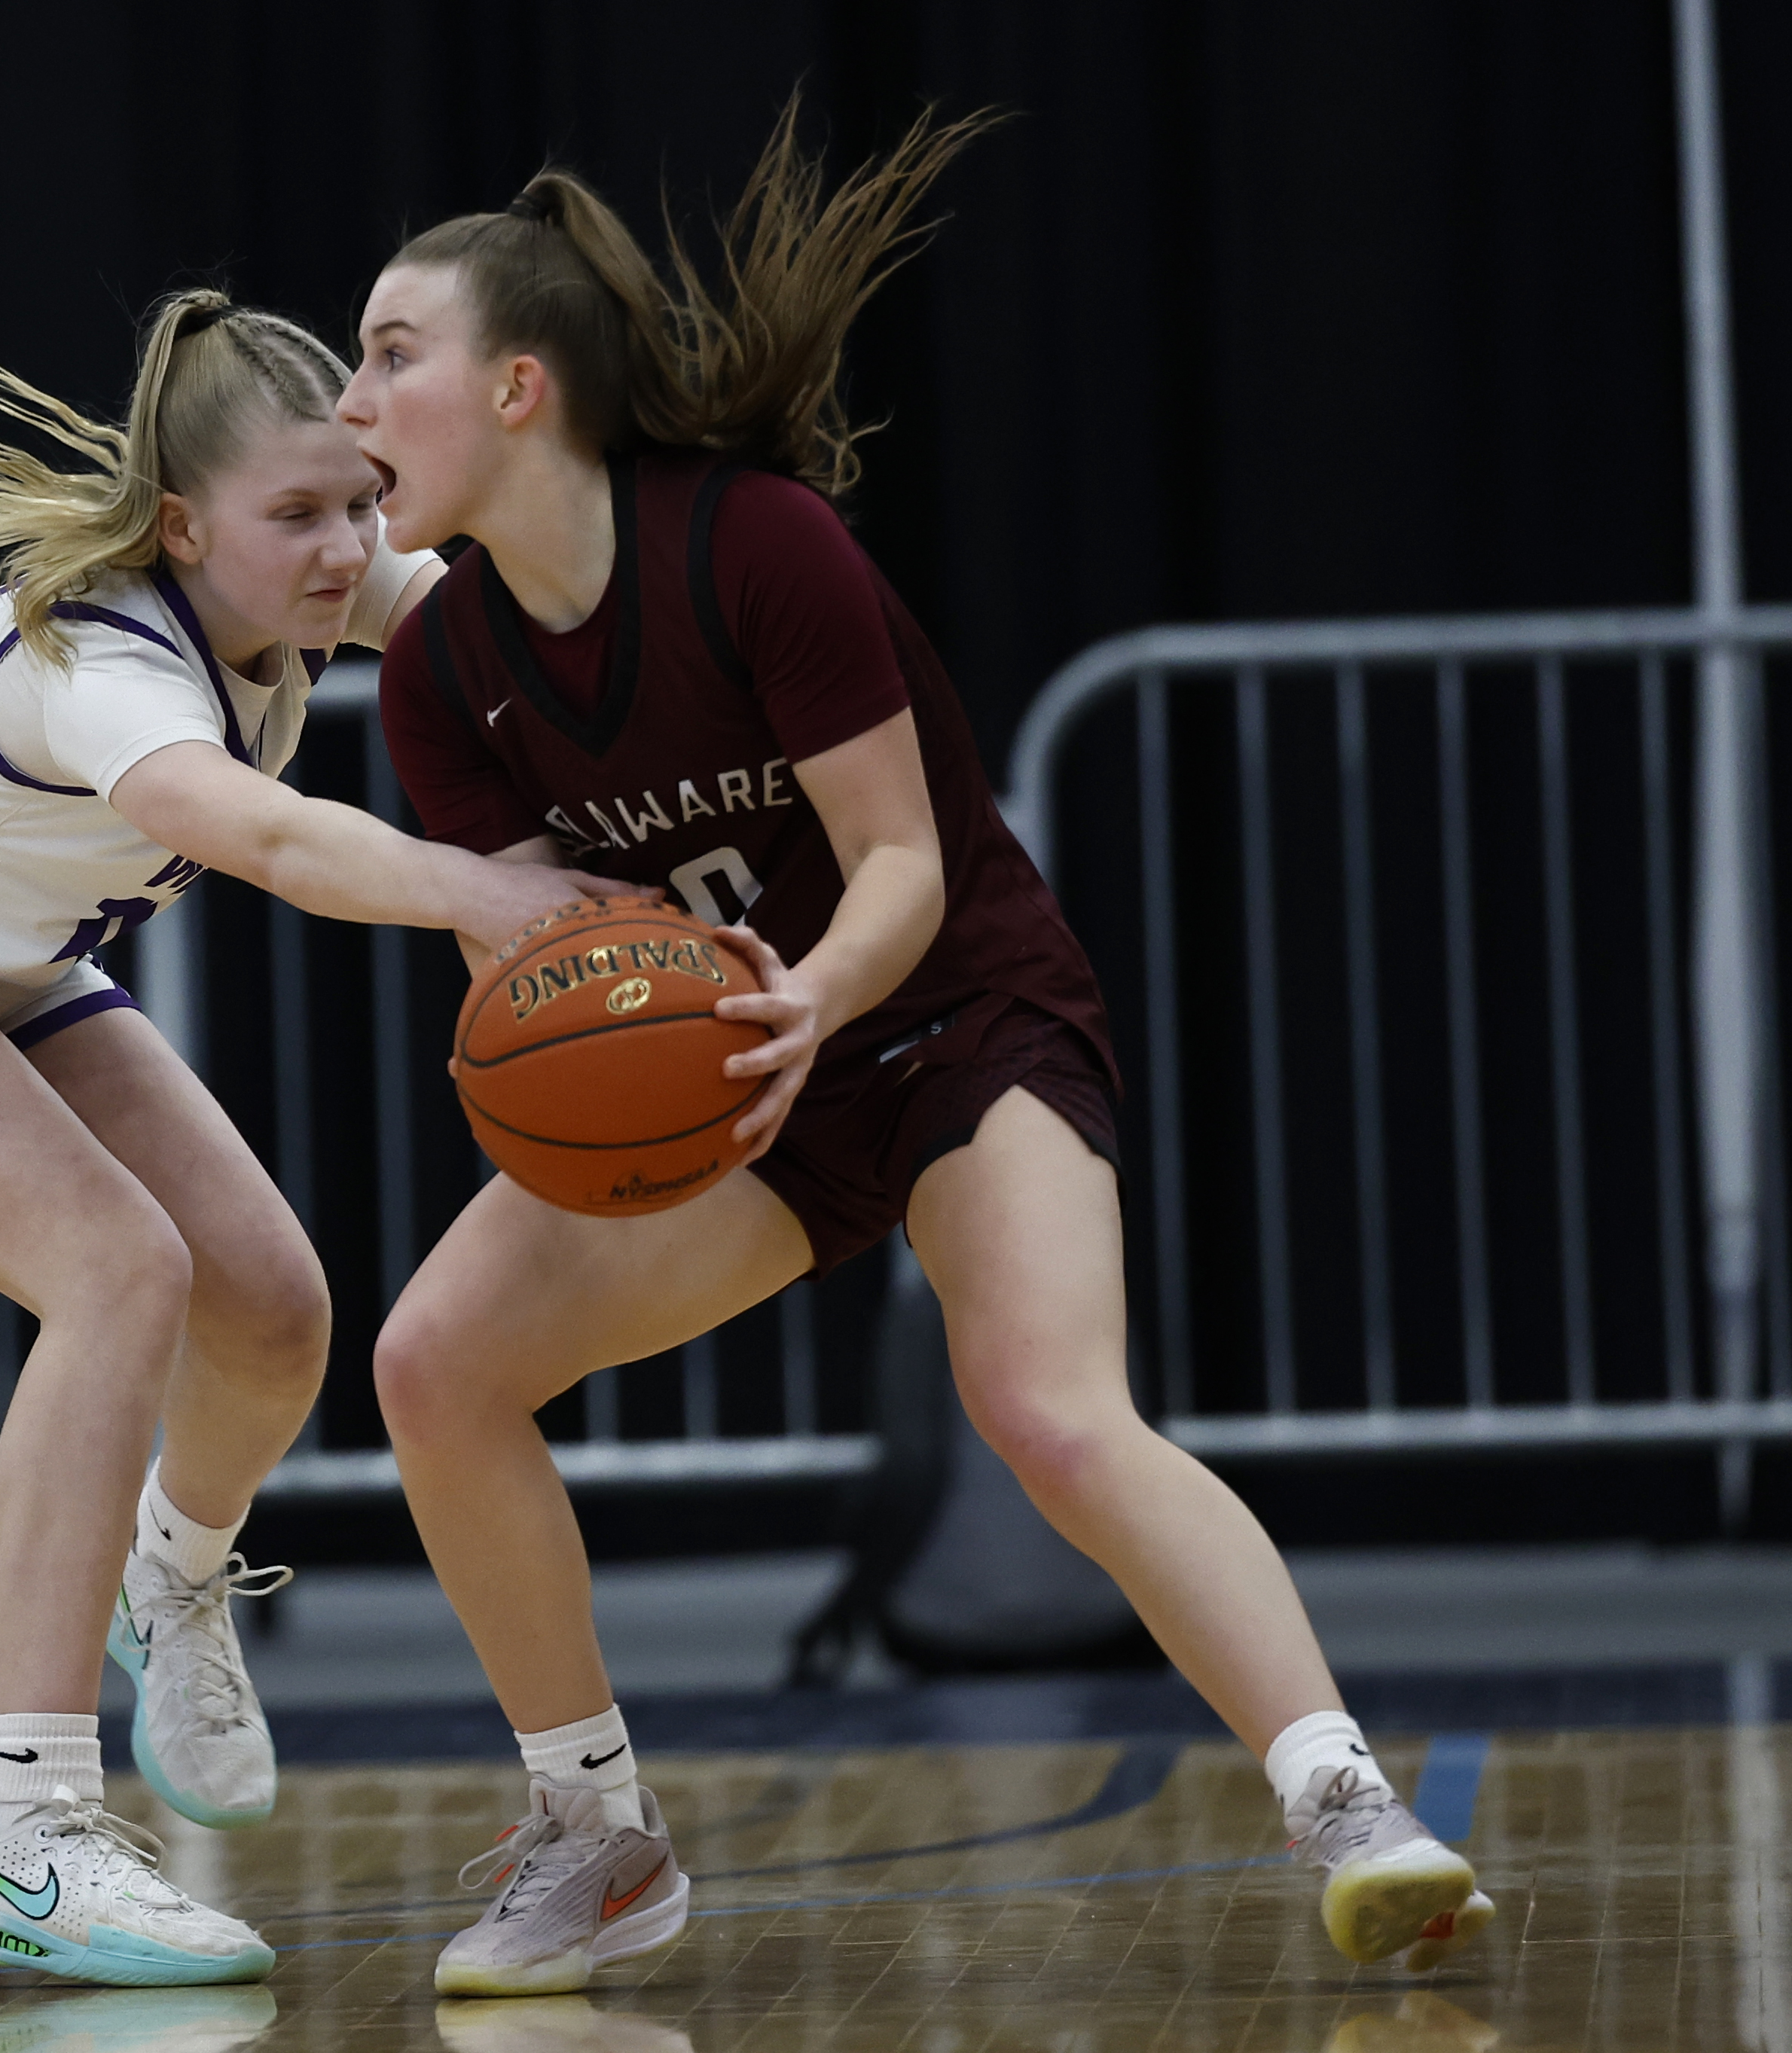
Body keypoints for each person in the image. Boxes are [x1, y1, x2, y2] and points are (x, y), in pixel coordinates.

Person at [340, 106, 1495, 1997]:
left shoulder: (754, 544)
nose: (353, 391)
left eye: (392, 350)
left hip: (951, 1013)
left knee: (1047, 1409)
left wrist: (807, 995)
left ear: (522, 386)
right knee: (432, 1363)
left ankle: (1348, 1801)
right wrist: (661, 1036)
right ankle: (595, 1833)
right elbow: (555, 955)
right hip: (745, 1080)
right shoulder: (436, 672)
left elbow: (896, 857)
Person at [0, 289, 641, 1987]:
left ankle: (168, 1581)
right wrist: (489, 893)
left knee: (271, 1305)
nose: (345, 547)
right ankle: (20, 1826)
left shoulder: (331, 575)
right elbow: (253, 827)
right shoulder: (95, 659)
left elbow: (534, 609)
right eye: (296, 516)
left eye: (358, 501)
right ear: (182, 525)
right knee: (115, 1269)